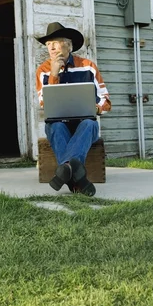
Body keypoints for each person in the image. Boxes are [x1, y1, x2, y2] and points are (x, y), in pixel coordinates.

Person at [35, 21, 111, 196]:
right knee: (56, 126)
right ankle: (78, 179)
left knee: (90, 124)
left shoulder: (88, 66)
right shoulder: (43, 70)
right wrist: (54, 74)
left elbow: (106, 100)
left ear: (68, 45)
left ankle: (66, 170)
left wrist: (97, 108)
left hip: (83, 125)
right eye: (48, 44)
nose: (51, 48)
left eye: (56, 42)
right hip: (58, 124)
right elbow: (44, 103)